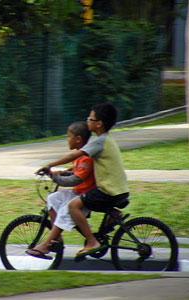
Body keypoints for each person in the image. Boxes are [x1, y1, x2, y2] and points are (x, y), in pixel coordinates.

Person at [36, 103, 129, 259]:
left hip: (108, 191)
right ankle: (59, 237)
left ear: (99, 124)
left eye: (90, 118)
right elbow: (77, 167)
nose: (88, 121)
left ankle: (92, 242)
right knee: (56, 200)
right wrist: (62, 173)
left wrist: (50, 165)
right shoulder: (104, 140)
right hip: (114, 189)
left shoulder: (99, 142)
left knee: (73, 206)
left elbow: (75, 156)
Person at [25, 121, 96, 259]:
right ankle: (57, 238)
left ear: (78, 139)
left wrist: (54, 177)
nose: (67, 139)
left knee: (65, 209)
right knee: (52, 198)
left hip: (87, 196)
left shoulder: (87, 157)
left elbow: (75, 180)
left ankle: (46, 245)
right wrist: (61, 173)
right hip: (77, 192)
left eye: (69, 136)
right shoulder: (79, 155)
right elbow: (74, 173)